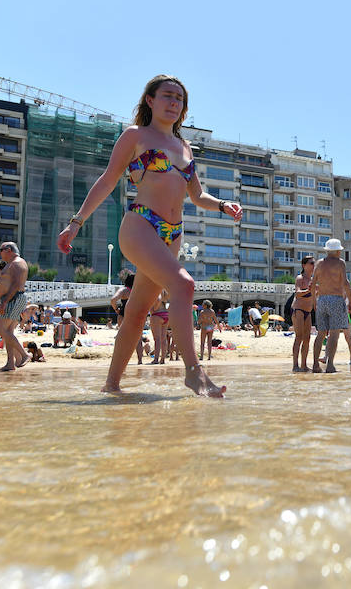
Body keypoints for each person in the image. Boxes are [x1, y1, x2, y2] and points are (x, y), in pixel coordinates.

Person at [56, 74, 242, 397]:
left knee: (138, 310)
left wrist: (224, 205)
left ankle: (111, 384)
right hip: (141, 225)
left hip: (173, 234)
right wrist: (76, 222)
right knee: (183, 284)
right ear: (150, 101)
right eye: (167, 96)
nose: (173, 102)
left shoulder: (184, 147)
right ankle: (193, 372)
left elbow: (197, 196)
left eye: (179, 99)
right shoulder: (135, 136)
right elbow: (107, 180)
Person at [311, 238, 351, 373]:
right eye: (339, 251)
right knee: (334, 334)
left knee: (321, 334)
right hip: (336, 299)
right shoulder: (340, 263)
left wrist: (314, 302)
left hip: (322, 300)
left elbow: (313, 284)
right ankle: (330, 365)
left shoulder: (319, 263)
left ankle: (315, 365)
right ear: (336, 251)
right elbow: (345, 283)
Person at [0, 242, 30, 371]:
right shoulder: (13, 263)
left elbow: (16, 284)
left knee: (1, 329)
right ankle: (10, 363)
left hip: (13, 299)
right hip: (11, 299)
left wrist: (4, 302)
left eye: (0, 250)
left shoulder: (17, 263)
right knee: (8, 331)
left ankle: (24, 354)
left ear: (8, 250)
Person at [291, 256, 316, 372]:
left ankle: (304, 365)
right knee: (299, 337)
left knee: (307, 338)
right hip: (298, 310)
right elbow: (297, 293)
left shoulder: (314, 279)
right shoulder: (300, 278)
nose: (313, 265)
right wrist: (308, 290)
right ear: (304, 265)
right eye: (311, 263)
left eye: (314, 263)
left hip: (308, 311)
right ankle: (295, 365)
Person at [149, 290, 169, 364]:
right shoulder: (165, 290)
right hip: (166, 314)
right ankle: (163, 359)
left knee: (157, 339)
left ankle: (156, 359)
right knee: (163, 338)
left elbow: (158, 299)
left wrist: (154, 309)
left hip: (157, 314)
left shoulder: (157, 288)